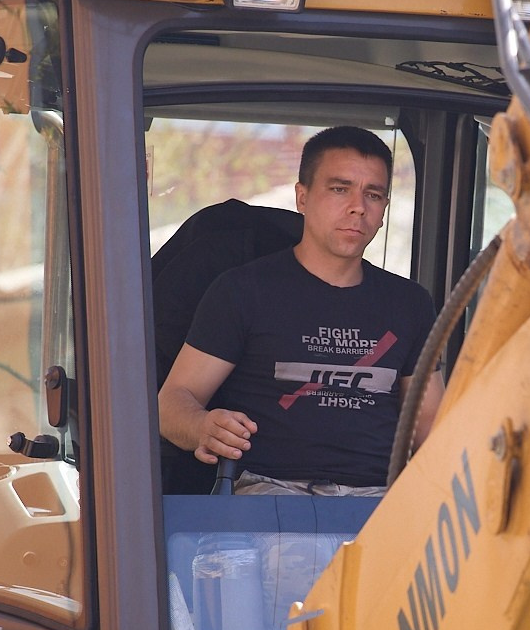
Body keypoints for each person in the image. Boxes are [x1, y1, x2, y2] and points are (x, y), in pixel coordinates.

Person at [159, 126, 444, 495]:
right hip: (269, 494)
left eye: (373, 194)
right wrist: (202, 427)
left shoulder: (410, 304)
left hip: (378, 501)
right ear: (302, 197)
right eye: (340, 189)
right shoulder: (243, 290)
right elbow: (171, 403)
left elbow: (434, 433)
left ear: (383, 210)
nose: (358, 206)